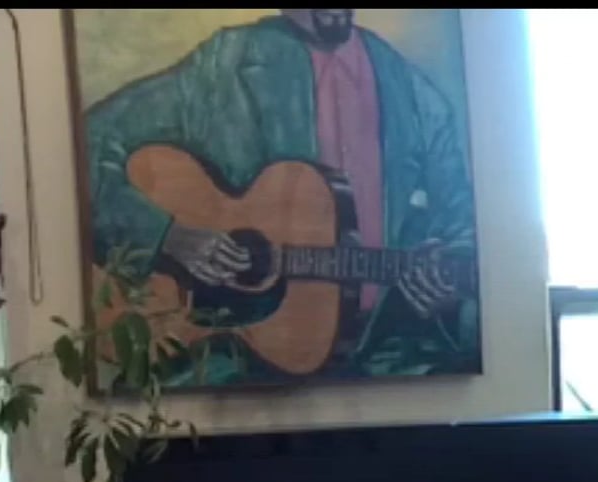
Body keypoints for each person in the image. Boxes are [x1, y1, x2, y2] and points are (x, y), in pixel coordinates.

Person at [83, 8, 477, 381]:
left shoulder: (410, 91)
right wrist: (168, 236)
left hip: (385, 355)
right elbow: (89, 142)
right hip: (234, 361)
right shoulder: (226, 65)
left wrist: (450, 272)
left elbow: (466, 222)